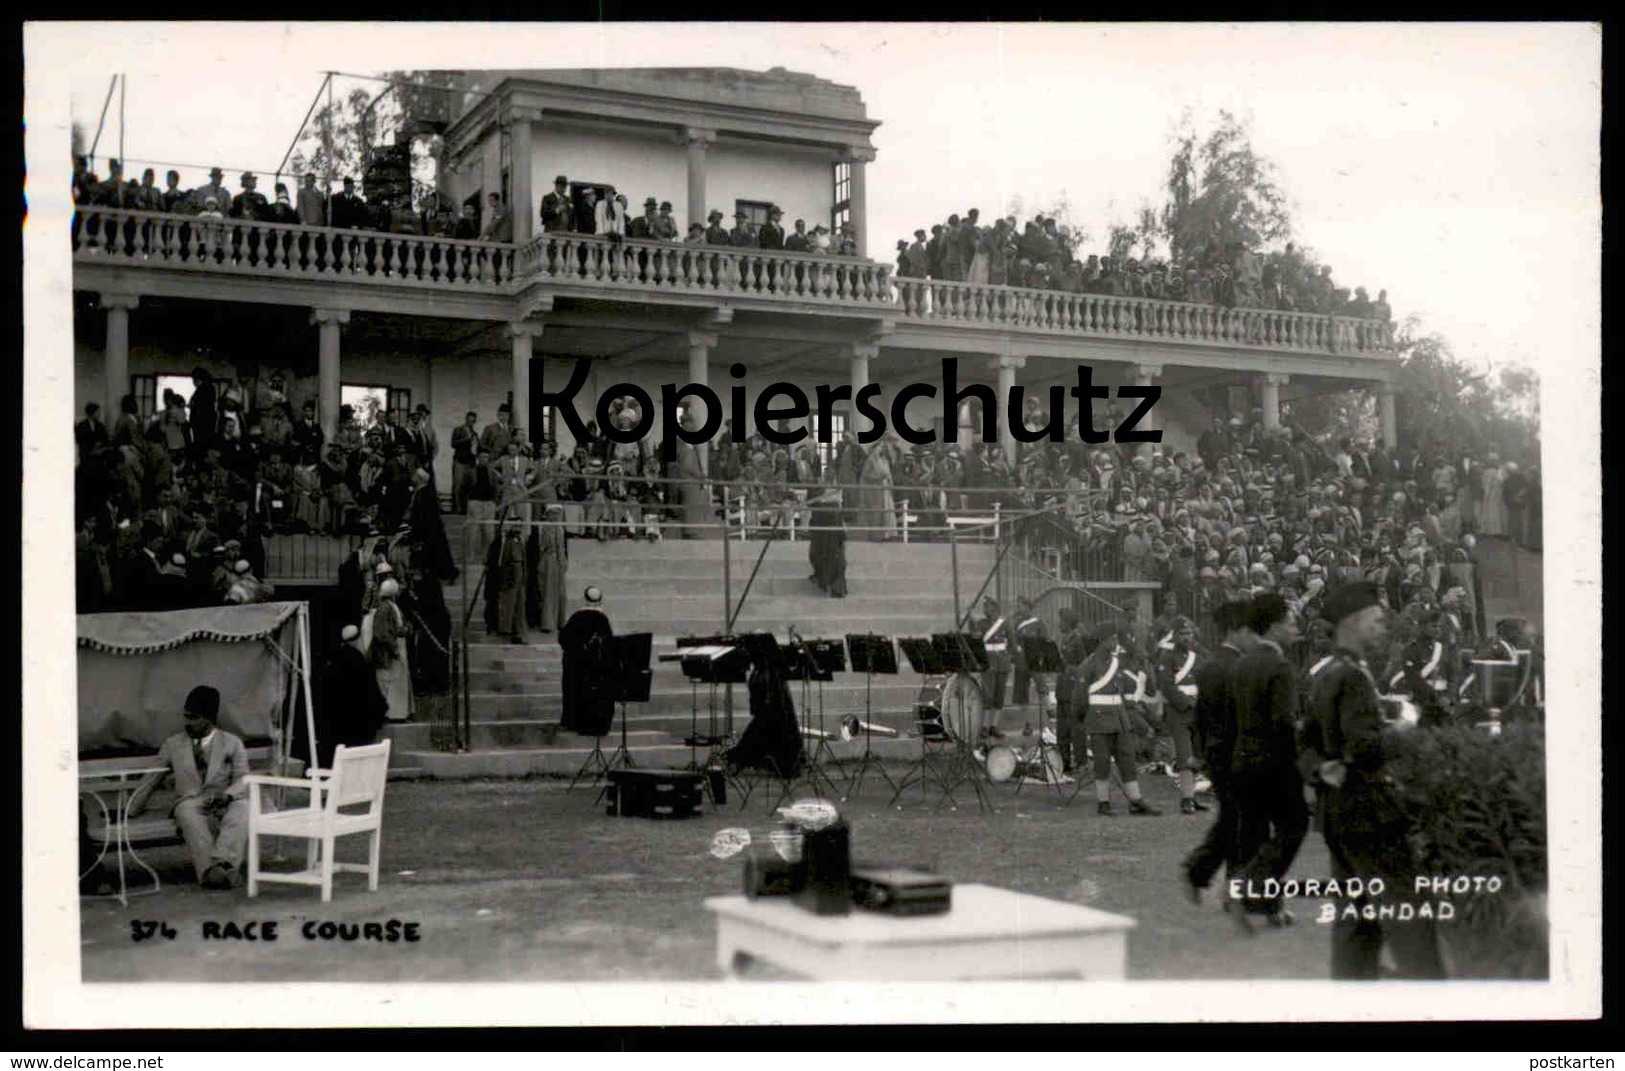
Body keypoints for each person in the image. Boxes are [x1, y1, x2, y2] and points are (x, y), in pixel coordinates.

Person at [1299, 582, 1445, 979]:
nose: (1384, 628)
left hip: (1337, 812)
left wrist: (1321, 770)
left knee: (1356, 921)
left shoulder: (1327, 673)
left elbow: (1305, 741)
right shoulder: (1354, 677)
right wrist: (1404, 726)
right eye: (1378, 621)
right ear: (1355, 623)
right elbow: (1365, 748)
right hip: (1369, 812)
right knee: (1408, 913)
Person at [1228, 593, 1308, 927]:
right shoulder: (1280, 666)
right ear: (1274, 627)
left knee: (1254, 832)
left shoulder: (1242, 662)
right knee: (1294, 826)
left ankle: (1264, 905)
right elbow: (1284, 724)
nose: (1295, 629)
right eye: (1291, 623)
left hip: (1243, 758)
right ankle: (1253, 885)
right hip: (1274, 762)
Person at [125, 685, 251, 890]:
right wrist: (130, 810)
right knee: (186, 813)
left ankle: (223, 865)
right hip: (190, 802)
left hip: (224, 800)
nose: (187, 723)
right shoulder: (173, 744)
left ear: (209, 718)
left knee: (243, 808)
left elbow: (244, 778)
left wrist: (227, 796)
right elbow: (151, 779)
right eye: (185, 716)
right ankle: (213, 873)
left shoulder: (232, 743)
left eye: (193, 718)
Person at [1182, 598, 1256, 903]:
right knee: (1243, 822)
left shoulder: (1210, 665)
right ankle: (1231, 889)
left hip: (1217, 755)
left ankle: (1201, 872)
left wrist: (1200, 754)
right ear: (1237, 631)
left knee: (1233, 820)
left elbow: (1200, 717)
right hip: (1240, 754)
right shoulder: (1240, 667)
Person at [1080, 622, 1161, 815]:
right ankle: (1103, 802)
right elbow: (1080, 699)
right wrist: (1086, 720)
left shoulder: (1118, 662)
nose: (1116, 642)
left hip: (1120, 717)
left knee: (1127, 758)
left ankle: (1135, 799)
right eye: (1113, 638)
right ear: (1103, 641)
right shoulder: (1090, 665)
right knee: (1102, 762)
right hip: (1099, 720)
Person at [312, 624, 388, 769]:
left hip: (334, 725)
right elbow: (372, 694)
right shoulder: (361, 662)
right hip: (358, 725)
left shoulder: (330, 663)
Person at [1153, 615, 1208, 814]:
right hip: (1179, 712)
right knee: (1185, 754)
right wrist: (1186, 703)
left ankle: (1192, 795)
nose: (1187, 637)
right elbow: (1167, 687)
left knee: (1197, 752)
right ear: (1175, 636)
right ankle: (1186, 799)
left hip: (1197, 711)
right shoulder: (1167, 658)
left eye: (1189, 633)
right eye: (1182, 634)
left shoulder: (1197, 657)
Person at [558, 586, 616, 736]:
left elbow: (563, 638)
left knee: (573, 692)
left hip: (574, 664)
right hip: (594, 667)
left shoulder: (575, 617)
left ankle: (572, 721)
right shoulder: (602, 619)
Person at [364, 578, 413, 723]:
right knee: (388, 683)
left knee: (396, 682)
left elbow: (400, 625)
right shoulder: (384, 608)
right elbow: (382, 633)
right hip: (388, 652)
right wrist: (394, 648)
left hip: (396, 647)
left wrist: (406, 629)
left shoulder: (392, 606)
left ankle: (398, 713)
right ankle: (390, 714)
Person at [806, 472, 847, 598]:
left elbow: (839, 506)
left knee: (836, 555)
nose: (829, 479)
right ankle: (824, 580)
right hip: (822, 525)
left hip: (834, 525)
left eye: (831, 477)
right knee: (821, 553)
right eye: (827, 477)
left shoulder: (837, 491)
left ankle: (836, 586)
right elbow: (810, 503)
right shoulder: (818, 490)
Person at [975, 596, 1011, 735]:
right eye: (984, 607)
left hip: (1002, 663)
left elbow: (1012, 643)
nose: (985, 610)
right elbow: (976, 639)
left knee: (999, 696)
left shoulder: (1005, 623)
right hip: (988, 663)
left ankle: (994, 726)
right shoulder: (981, 624)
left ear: (995, 608)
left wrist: (1011, 660)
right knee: (988, 695)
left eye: (987, 607)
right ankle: (984, 726)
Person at [533, 502, 569, 632]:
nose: (556, 516)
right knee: (549, 591)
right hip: (549, 559)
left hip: (558, 560)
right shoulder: (546, 527)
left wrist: (563, 559)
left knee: (560, 592)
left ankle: (560, 621)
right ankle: (548, 622)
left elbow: (561, 547)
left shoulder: (559, 527)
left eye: (557, 513)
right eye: (553, 513)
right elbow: (545, 545)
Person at [450, 411, 479, 514]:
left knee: (471, 486)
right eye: (469, 420)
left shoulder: (475, 434)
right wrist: (466, 439)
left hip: (471, 463)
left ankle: (466, 508)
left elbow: (476, 449)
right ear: (466, 419)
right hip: (460, 461)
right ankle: (456, 508)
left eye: (473, 421)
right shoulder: (458, 430)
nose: (471, 422)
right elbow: (453, 444)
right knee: (458, 486)